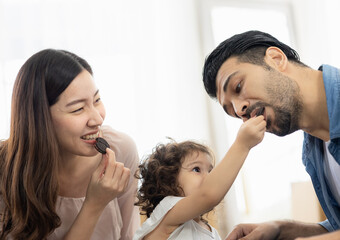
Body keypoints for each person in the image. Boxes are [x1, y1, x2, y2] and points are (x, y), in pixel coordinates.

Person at [202, 30, 340, 240]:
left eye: (238, 87)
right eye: (233, 112)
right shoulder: (313, 151)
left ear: (276, 59)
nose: (240, 110)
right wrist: (281, 229)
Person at [0, 49, 140, 239]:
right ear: (40, 120)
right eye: (78, 109)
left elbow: (130, 236)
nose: (97, 118)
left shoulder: (121, 150)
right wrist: (94, 205)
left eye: (97, 100)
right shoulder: (6, 168)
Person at [133, 115, 266, 239]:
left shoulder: (209, 230)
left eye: (210, 171)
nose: (209, 177)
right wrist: (243, 144)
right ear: (168, 180)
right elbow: (208, 195)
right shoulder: (168, 211)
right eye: (197, 169)